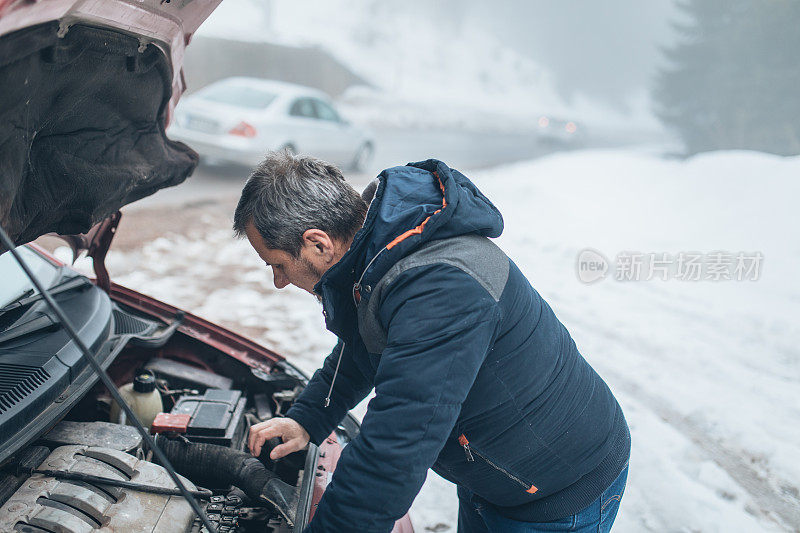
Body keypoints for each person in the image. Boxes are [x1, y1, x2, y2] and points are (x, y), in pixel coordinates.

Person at [235, 151, 630, 533]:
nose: (280, 282)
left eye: (278, 265)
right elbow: (363, 349)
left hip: (557, 488)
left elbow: (397, 443)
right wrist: (308, 419)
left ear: (319, 244)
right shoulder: (377, 252)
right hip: (495, 473)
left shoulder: (440, 289)